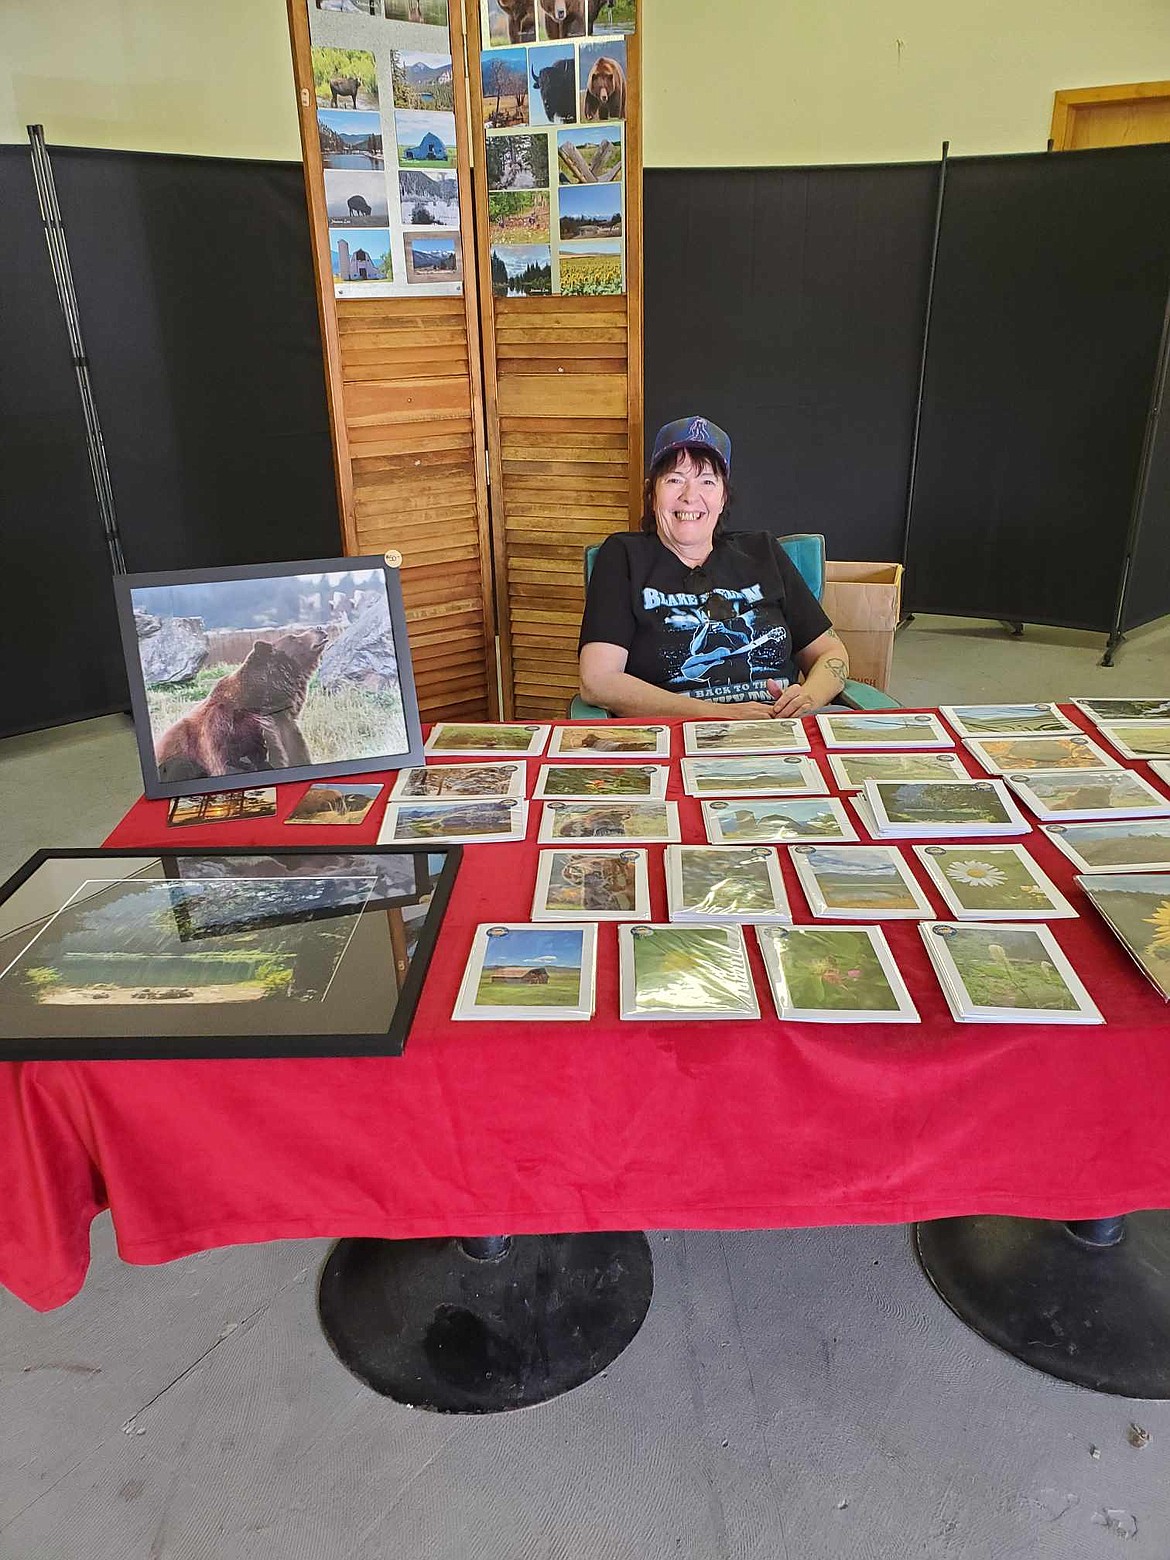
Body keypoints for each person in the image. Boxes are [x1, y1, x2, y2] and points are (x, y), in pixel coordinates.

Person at [578, 416, 850, 719]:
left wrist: (808, 698)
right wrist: (716, 713)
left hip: (779, 732)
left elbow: (830, 653)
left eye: (707, 481)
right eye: (674, 479)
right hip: (677, 737)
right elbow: (598, 680)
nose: (690, 496)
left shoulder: (763, 551)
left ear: (723, 497)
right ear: (652, 494)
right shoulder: (623, 557)